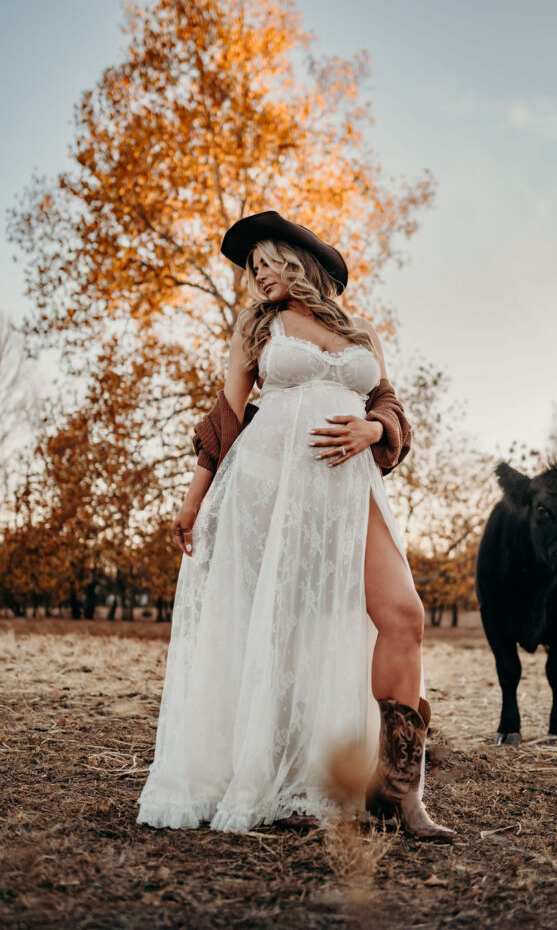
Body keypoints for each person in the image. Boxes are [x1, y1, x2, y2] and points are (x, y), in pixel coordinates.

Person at [136, 210, 456, 841]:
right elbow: (227, 415)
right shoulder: (258, 328)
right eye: (249, 269)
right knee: (285, 632)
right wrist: (193, 499)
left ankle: (399, 791)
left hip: (349, 487)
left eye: (264, 262)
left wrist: (375, 428)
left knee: (403, 615)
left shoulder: (361, 331)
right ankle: (282, 779)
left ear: (299, 260)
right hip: (270, 488)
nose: (255, 276)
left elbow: (387, 402)